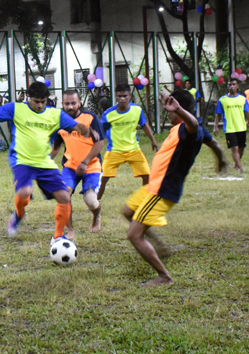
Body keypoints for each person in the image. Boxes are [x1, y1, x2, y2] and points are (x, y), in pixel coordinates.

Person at [0, 82, 90, 242]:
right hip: (22, 160)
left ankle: (58, 237)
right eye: (37, 101)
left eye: (43, 102)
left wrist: (85, 130)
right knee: (24, 192)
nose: (40, 105)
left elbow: (79, 127)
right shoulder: (16, 109)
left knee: (64, 197)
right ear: (28, 97)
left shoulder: (56, 114)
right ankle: (19, 215)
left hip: (44, 162)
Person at [123, 90, 226, 287]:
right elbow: (213, 143)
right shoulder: (188, 130)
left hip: (162, 190)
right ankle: (158, 245)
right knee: (128, 211)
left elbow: (194, 125)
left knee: (133, 235)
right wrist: (221, 159)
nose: (168, 113)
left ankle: (164, 277)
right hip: (153, 187)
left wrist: (178, 109)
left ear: (179, 109)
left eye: (170, 111)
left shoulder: (188, 130)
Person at [51, 90, 105, 238]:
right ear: (62, 104)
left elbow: (100, 143)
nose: (70, 106)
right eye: (67, 103)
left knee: (90, 201)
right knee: (64, 196)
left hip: (92, 166)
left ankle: (97, 215)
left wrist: (85, 162)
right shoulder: (60, 122)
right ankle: (70, 230)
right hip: (70, 167)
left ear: (79, 103)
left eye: (73, 103)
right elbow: (56, 147)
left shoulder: (89, 118)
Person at [97, 84, 159, 201]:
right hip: (114, 150)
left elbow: (144, 125)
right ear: (115, 97)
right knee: (104, 178)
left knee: (147, 176)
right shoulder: (109, 114)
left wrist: (153, 141)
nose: (122, 99)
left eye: (125, 96)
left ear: (129, 96)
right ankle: (95, 201)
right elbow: (101, 129)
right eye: (119, 96)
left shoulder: (137, 110)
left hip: (133, 149)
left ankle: (142, 200)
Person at [214, 78, 249, 173]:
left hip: (241, 127)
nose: (231, 86)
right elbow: (218, 114)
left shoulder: (242, 99)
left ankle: (236, 163)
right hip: (229, 128)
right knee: (234, 148)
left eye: (234, 84)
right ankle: (240, 168)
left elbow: (247, 112)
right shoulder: (222, 100)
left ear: (237, 86)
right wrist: (216, 126)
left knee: (241, 148)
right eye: (230, 85)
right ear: (227, 87)